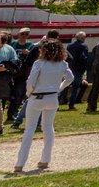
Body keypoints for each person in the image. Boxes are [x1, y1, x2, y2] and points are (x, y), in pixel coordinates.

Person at [13, 37, 73, 175]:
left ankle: (20, 163)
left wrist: (29, 93)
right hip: (52, 97)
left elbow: (31, 81)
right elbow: (70, 78)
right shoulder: (62, 64)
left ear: (43, 50)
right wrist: (59, 88)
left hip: (37, 97)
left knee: (29, 130)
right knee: (48, 128)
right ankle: (45, 159)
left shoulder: (39, 63)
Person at [0, 31, 18, 134]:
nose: (0, 45)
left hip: (0, 84)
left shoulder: (8, 49)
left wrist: (6, 67)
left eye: (1, 43)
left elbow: (16, 63)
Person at [64, 32, 89, 109]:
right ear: (82, 38)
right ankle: (71, 104)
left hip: (70, 67)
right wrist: (84, 69)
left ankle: (61, 100)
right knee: (75, 87)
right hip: (78, 69)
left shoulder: (69, 46)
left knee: (65, 85)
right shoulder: (84, 46)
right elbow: (84, 58)